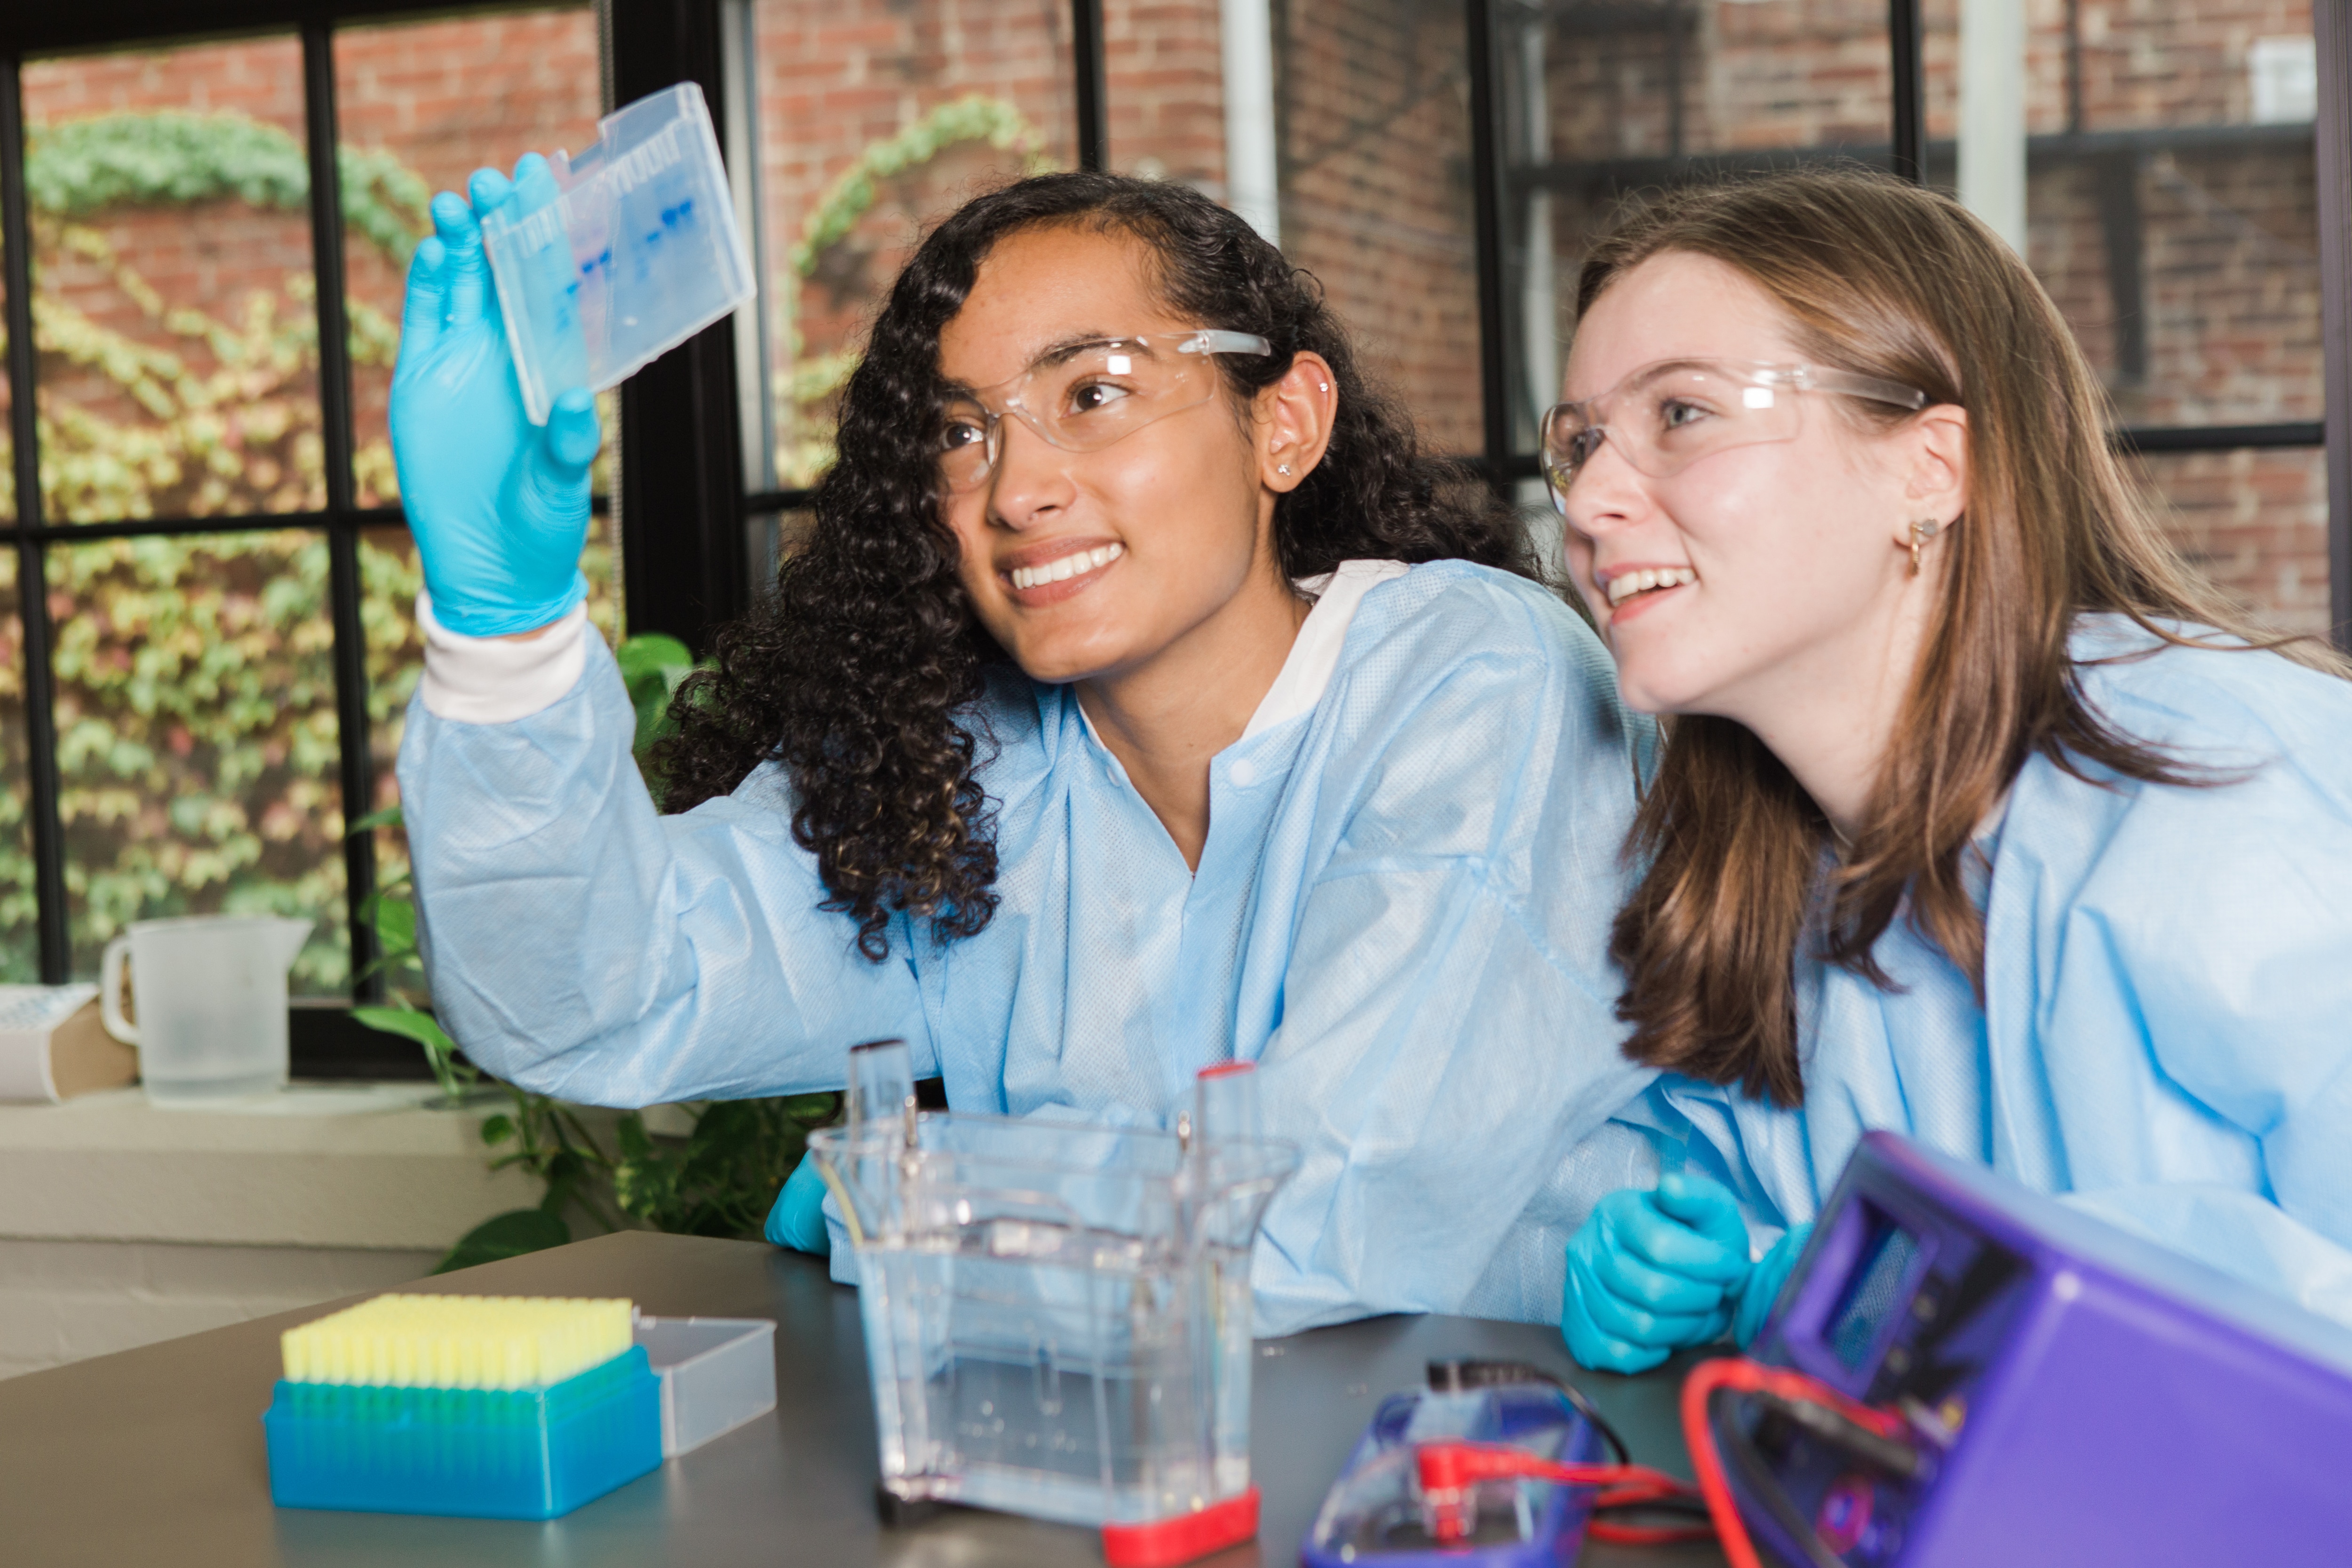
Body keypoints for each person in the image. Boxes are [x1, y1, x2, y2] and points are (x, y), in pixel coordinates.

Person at [389, 164, 1661, 1334]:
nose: (1014, 488)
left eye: (1093, 393)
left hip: (1504, 1479)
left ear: (1284, 422)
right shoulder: (971, 774)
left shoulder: (1475, 677)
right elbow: (593, 996)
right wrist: (504, 632)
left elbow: (1328, 1207)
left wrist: (889, 1196)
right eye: (960, 430)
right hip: (1126, 1477)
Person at [1539, 167, 2352, 1373]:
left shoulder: (2230, 788)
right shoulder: (1772, 868)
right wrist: (1724, 1273)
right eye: (1581, 442)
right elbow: (1813, 1239)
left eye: (1683, 414)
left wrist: (1882, 1282)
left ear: (1928, 468)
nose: (1593, 499)